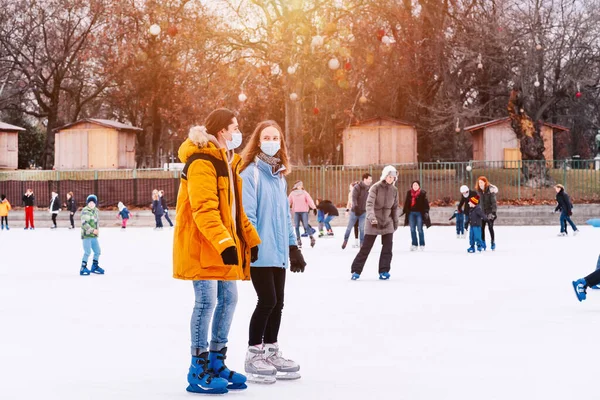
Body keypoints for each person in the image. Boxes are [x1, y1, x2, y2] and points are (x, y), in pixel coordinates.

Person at [173, 109, 261, 394]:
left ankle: (216, 361)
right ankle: (197, 369)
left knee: (229, 298)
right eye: (234, 127)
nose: (238, 132)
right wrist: (225, 244)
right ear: (222, 130)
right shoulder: (202, 162)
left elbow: (236, 213)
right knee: (206, 301)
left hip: (222, 244)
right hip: (204, 245)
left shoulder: (228, 162)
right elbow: (204, 210)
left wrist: (251, 240)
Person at [240, 120, 307, 384]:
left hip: (278, 252)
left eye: (276, 138)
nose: (272, 141)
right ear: (258, 141)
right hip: (259, 252)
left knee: (278, 303)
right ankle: (254, 353)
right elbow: (248, 214)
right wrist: (252, 244)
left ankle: (271, 349)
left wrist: (293, 247)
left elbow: (285, 217)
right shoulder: (250, 174)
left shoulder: (279, 176)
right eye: (267, 137)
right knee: (266, 301)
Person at [350, 166, 399, 281]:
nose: (391, 179)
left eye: (393, 177)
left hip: (387, 222)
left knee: (387, 248)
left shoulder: (394, 190)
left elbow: (395, 208)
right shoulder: (375, 188)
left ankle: (384, 270)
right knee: (366, 248)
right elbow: (369, 205)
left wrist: (395, 222)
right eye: (389, 176)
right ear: (385, 176)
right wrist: (372, 218)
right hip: (373, 222)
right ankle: (356, 270)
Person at [343, 173, 373, 249]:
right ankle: (345, 240)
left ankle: (362, 244)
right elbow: (354, 198)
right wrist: (355, 207)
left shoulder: (369, 188)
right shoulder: (357, 187)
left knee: (362, 228)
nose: (371, 180)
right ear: (365, 179)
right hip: (354, 211)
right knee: (349, 227)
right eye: (370, 179)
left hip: (363, 212)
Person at [402, 180, 430, 251]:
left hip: (419, 213)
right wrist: (404, 210)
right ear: (412, 186)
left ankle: (422, 244)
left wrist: (426, 211)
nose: (415, 186)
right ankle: (414, 244)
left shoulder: (422, 193)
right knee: (412, 229)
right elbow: (406, 202)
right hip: (411, 213)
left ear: (419, 186)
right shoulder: (409, 193)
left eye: (416, 185)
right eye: (414, 185)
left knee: (420, 229)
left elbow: (426, 204)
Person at [287, 180, 316, 248]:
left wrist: (314, 207)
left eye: (302, 185)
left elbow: (309, 200)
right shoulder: (292, 193)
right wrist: (285, 209)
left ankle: (311, 238)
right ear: (297, 186)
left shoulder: (304, 193)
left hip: (304, 212)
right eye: (300, 185)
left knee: (306, 225)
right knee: (296, 226)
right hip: (296, 212)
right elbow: (288, 202)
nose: (301, 186)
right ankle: (298, 240)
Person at [80, 194, 104, 276]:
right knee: (87, 252)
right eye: (89, 202)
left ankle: (94, 266)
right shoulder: (85, 211)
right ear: (87, 203)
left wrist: (96, 231)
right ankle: (83, 267)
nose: (91, 204)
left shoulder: (95, 211)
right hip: (87, 235)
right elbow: (84, 224)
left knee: (97, 251)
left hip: (94, 236)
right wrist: (92, 230)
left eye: (93, 202)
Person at [476, 176, 498, 250]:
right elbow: (477, 202)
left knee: (490, 227)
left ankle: (492, 242)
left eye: (481, 183)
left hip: (490, 212)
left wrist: (494, 212)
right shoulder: (479, 191)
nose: (480, 184)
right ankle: (483, 242)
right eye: (479, 183)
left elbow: (494, 202)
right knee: (482, 228)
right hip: (482, 212)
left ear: (485, 182)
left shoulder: (490, 190)